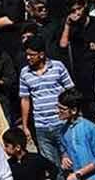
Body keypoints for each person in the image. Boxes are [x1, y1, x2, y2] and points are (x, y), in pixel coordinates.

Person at [19, 36, 75, 172]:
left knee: (70, 161)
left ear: (41, 54)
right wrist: (25, 126)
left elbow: (71, 91)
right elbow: (25, 99)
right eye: (27, 54)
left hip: (62, 124)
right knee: (52, 167)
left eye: (31, 55)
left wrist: (72, 116)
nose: (28, 58)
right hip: (41, 126)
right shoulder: (25, 73)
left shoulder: (58, 66)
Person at [57, 88, 95, 180]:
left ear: (74, 110)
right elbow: (64, 150)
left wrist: (79, 173)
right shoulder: (63, 131)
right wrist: (64, 157)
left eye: (62, 109)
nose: (57, 111)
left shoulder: (90, 128)